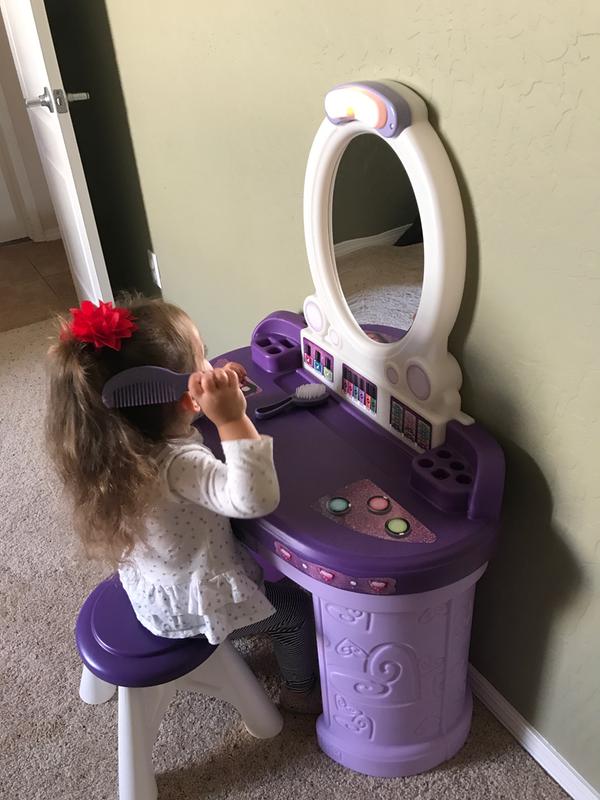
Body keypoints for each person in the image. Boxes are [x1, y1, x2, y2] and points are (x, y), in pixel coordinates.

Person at [46, 296, 319, 713]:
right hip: (194, 610)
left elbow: (181, 425)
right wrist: (231, 420)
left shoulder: (113, 447)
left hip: (152, 590)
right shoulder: (180, 466)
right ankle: (300, 694)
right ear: (182, 397)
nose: (210, 369)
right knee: (296, 613)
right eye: (203, 361)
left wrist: (214, 396)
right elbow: (255, 498)